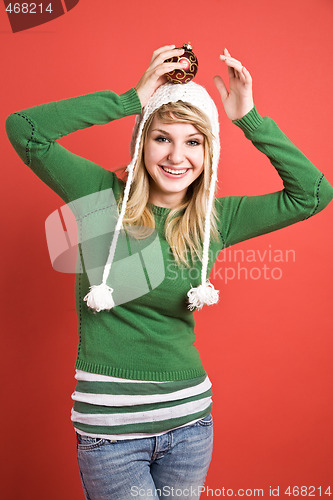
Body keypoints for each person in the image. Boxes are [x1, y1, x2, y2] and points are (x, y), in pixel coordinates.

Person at [5, 44, 333, 500]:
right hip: (112, 437)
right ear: (142, 142)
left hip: (191, 425)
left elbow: (313, 194)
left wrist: (249, 119)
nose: (177, 156)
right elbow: (24, 129)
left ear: (208, 152)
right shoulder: (98, 196)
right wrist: (130, 101)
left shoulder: (215, 219)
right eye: (162, 138)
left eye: (193, 142)